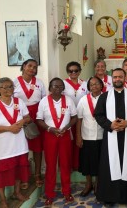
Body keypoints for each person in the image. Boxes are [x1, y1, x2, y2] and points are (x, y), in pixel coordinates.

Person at [95, 68, 127, 205]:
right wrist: (110, 125)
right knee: (109, 166)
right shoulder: (105, 96)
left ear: (125, 77)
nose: (117, 79)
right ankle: (109, 197)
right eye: (115, 77)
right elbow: (98, 115)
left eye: (120, 77)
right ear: (111, 79)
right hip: (111, 136)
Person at [37, 78, 77, 206]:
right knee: (50, 165)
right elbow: (39, 120)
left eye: (60, 86)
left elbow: (75, 117)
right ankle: (49, 193)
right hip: (50, 135)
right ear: (50, 88)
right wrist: (49, 128)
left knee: (65, 164)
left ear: (63, 88)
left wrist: (66, 127)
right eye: (55, 86)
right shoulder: (44, 101)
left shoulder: (69, 100)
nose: (57, 88)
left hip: (64, 135)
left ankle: (66, 191)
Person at [0, 77, 31, 208]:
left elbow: (28, 117)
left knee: (19, 171)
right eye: (4, 87)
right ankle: (3, 199)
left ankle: (16, 192)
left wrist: (22, 121)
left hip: (20, 145)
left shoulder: (19, 102)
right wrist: (8, 128)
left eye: (10, 86)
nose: (8, 89)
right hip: (3, 148)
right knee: (1, 175)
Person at [13, 59, 46, 189]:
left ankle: (37, 174)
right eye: (29, 66)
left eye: (35, 66)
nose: (32, 68)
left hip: (36, 115)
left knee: (37, 147)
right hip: (20, 116)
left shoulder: (39, 83)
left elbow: (44, 100)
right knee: (22, 148)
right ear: (24, 66)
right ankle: (24, 176)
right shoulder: (14, 82)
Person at [76, 77, 104, 197]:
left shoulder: (106, 98)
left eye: (96, 83)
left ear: (101, 85)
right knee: (87, 162)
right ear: (88, 87)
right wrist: (78, 136)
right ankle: (88, 184)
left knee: (100, 161)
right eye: (91, 84)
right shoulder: (83, 100)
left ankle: (98, 184)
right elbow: (79, 119)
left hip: (102, 135)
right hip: (87, 135)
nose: (94, 86)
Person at [63, 61, 87, 170]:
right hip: (68, 116)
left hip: (82, 116)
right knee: (69, 141)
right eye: (70, 71)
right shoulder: (63, 83)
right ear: (67, 72)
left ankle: (78, 164)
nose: (73, 72)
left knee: (80, 138)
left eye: (76, 70)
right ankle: (69, 164)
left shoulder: (85, 83)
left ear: (80, 71)